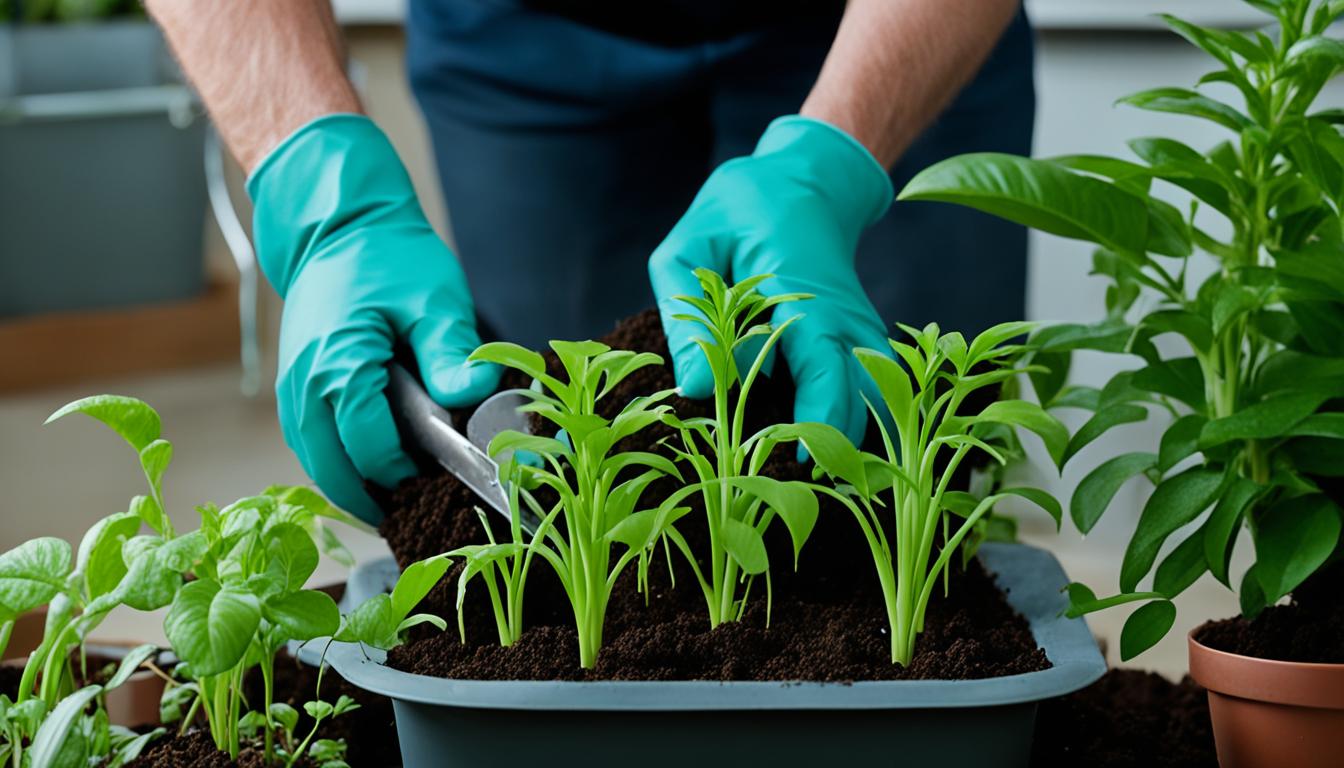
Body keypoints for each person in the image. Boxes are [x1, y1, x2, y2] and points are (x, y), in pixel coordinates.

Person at [146, 0, 1034, 522]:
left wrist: (833, 160)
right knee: (570, 500)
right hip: (523, 36)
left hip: (873, 25)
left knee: (902, 475)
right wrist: (319, 187)